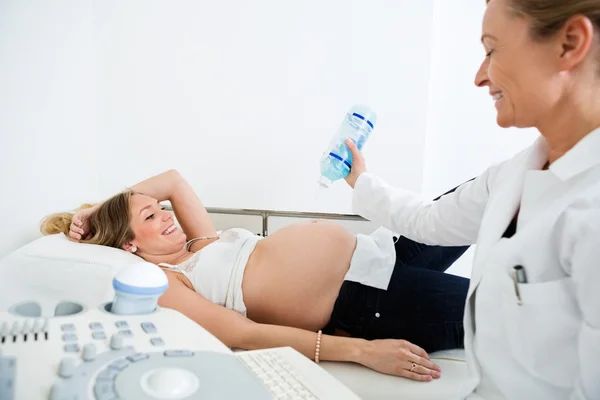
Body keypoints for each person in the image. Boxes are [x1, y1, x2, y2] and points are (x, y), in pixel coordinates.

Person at [343, 0, 600, 398]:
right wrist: (361, 182)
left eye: (492, 50)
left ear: (569, 44)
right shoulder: (512, 174)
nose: (480, 77)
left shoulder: (590, 205)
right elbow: (428, 221)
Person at [41, 169, 470, 382]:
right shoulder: (169, 281)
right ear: (128, 245)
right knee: (501, 310)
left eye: (160, 208)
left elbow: (172, 180)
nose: (165, 213)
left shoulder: (198, 241)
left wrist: (96, 210)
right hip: (371, 301)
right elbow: (245, 334)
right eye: (151, 216)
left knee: (485, 198)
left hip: (380, 253)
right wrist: (360, 351)